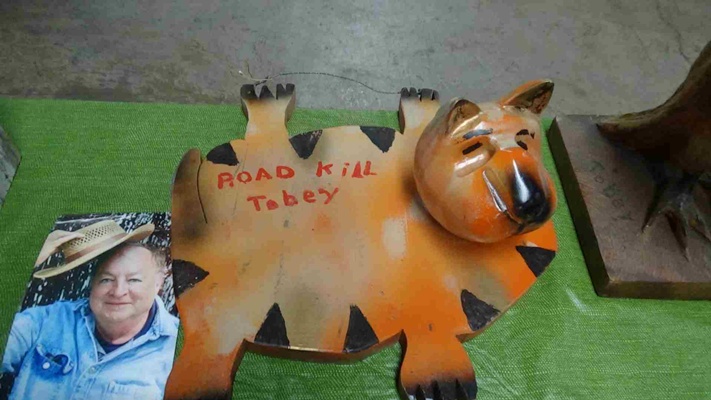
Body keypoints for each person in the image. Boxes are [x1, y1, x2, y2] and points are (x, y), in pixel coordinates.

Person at [1, 221, 179, 400]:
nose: (118, 292)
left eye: (133, 280)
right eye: (106, 279)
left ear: (158, 284)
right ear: (92, 284)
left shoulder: (180, 348)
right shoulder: (47, 320)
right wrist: (22, 262)